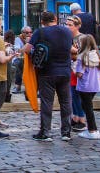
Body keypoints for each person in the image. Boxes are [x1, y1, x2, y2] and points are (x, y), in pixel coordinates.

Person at [24, 11, 74, 142]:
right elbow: (71, 48)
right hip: (65, 71)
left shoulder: (40, 32)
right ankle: (66, 132)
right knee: (66, 102)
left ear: (42, 22)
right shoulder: (67, 32)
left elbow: (27, 49)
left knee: (47, 102)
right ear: (56, 19)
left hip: (47, 72)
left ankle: (45, 132)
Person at [75, 34, 100, 140]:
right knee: (86, 106)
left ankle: (92, 130)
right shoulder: (97, 55)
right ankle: (92, 129)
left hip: (85, 86)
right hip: (95, 85)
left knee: (87, 108)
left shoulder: (82, 57)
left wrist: (74, 70)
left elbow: (79, 74)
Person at [66, 15, 87, 132]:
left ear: (77, 26)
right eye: (67, 25)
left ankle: (81, 118)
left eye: (70, 25)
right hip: (69, 69)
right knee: (72, 94)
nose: (68, 27)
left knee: (77, 95)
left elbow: (83, 54)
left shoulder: (82, 38)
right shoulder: (67, 38)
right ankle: (75, 116)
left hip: (78, 69)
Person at [12, 26, 32, 93]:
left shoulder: (33, 39)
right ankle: (18, 86)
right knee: (20, 63)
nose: (29, 34)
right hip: (18, 59)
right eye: (27, 33)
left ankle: (34, 87)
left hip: (29, 59)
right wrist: (27, 43)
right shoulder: (18, 39)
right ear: (22, 33)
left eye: (30, 32)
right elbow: (19, 51)